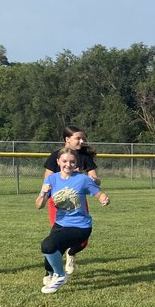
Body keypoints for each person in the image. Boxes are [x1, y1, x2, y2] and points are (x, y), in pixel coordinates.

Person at [36, 150, 110, 294]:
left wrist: (104, 199)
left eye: (72, 162)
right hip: (60, 224)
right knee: (49, 257)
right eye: (64, 161)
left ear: (76, 163)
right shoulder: (52, 179)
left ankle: (60, 276)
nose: (68, 165)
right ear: (58, 162)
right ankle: (52, 274)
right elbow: (39, 205)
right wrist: (44, 194)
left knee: (47, 245)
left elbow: (99, 193)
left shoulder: (82, 179)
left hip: (80, 226)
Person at [42, 126, 99, 275]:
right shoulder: (56, 156)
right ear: (67, 139)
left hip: (77, 200)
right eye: (78, 138)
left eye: (82, 138)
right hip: (59, 201)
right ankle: (50, 273)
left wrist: (92, 179)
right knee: (57, 237)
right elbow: (46, 181)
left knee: (83, 240)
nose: (81, 141)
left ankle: (71, 254)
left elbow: (96, 181)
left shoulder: (84, 157)